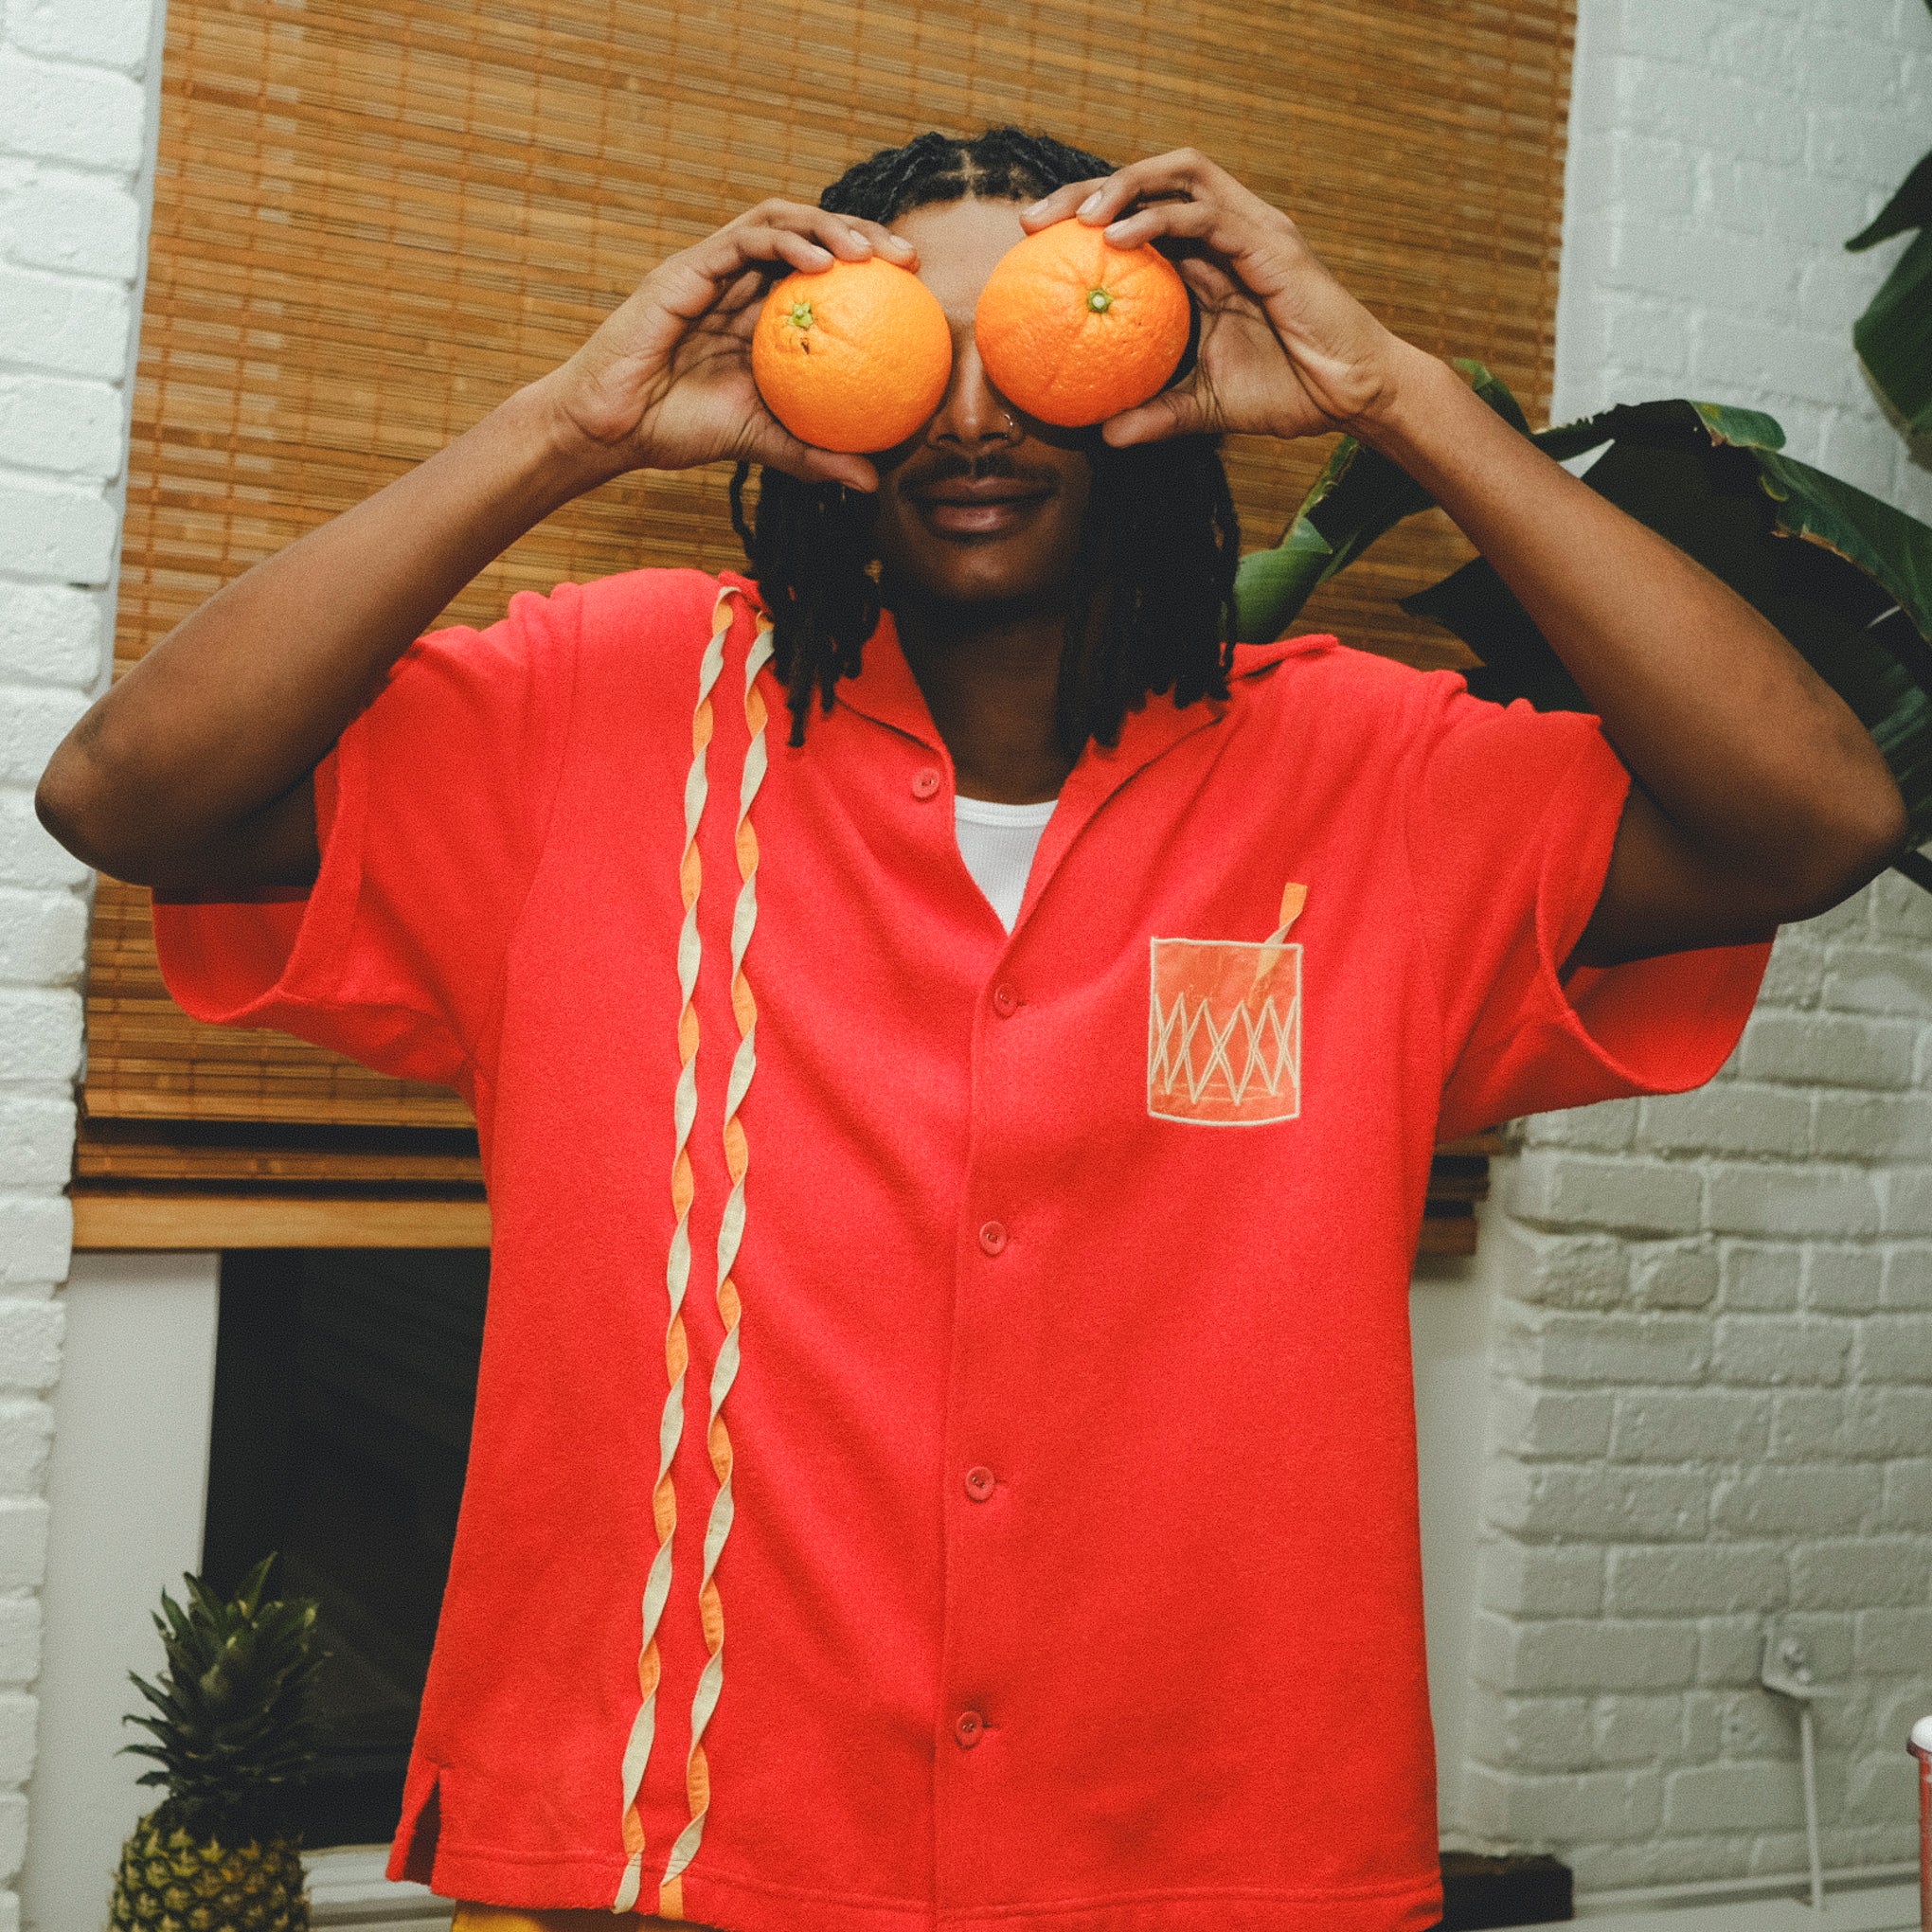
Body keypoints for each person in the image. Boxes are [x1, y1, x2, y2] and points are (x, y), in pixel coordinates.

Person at [38, 127, 1905, 1932]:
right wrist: (567, 426)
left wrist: (1393, 392)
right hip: (661, 1847)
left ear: (1151, 373)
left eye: (1037, 329)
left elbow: (1815, 816)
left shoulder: (1374, 773)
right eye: (909, 347)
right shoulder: (599, 711)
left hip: (1206, 1848)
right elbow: (134, 794)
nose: (976, 412)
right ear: (807, 384)